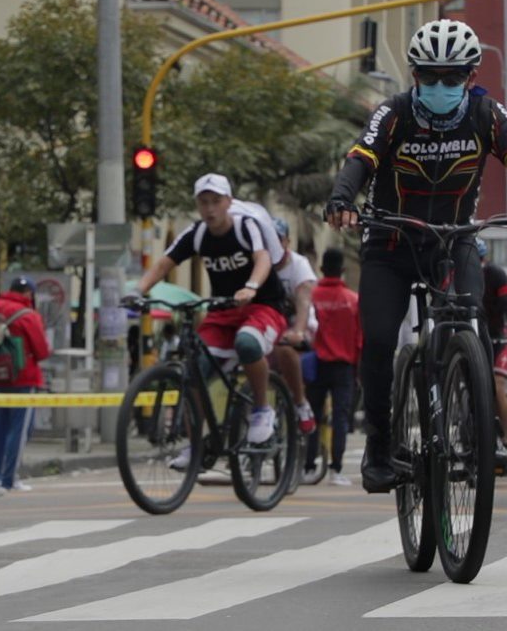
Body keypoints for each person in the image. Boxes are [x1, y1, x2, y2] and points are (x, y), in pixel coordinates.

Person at [325, 18, 507, 492]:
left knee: (472, 321)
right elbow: (361, 157)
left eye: (452, 77)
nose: (440, 86)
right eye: (430, 77)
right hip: (390, 243)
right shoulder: (394, 112)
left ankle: (479, 426)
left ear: (471, 77)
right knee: (378, 341)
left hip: (452, 242)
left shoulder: (486, 114)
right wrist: (341, 199)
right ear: (414, 76)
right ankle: (379, 446)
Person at [132, 173, 286, 469]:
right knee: (193, 369)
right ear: (197, 205)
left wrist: (251, 286)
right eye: (204, 203)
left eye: (216, 201)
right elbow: (165, 263)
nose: (210, 209)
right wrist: (137, 291)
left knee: (247, 343)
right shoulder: (197, 234)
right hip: (221, 311)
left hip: (262, 306)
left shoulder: (244, 227)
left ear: (228, 202)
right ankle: (196, 446)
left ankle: (262, 410)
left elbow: (263, 258)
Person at [0, 276, 50, 496]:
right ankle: (8, 480)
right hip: (23, 379)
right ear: (29, 294)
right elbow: (42, 351)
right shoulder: (29, 316)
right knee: (18, 431)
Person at [303, 248, 362, 486]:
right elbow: (360, 338)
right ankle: (336, 469)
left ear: (321, 269)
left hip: (315, 364)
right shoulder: (352, 300)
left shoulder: (311, 296)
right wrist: (358, 369)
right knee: (340, 418)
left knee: (312, 416)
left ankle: (308, 467)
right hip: (344, 367)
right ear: (343, 270)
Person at [271, 216, 317, 435]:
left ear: (287, 242)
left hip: (300, 325)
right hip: (271, 323)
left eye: (277, 239)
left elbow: (304, 299)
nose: (273, 244)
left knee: (284, 349)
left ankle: (300, 404)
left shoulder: (299, 264)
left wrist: (298, 329)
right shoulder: (260, 262)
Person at [477, 237, 507, 467]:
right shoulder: (456, 274)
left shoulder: (495, 275)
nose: (477, 264)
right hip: (471, 337)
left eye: (480, 260)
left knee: (498, 387)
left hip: (497, 338)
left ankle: (505, 438)